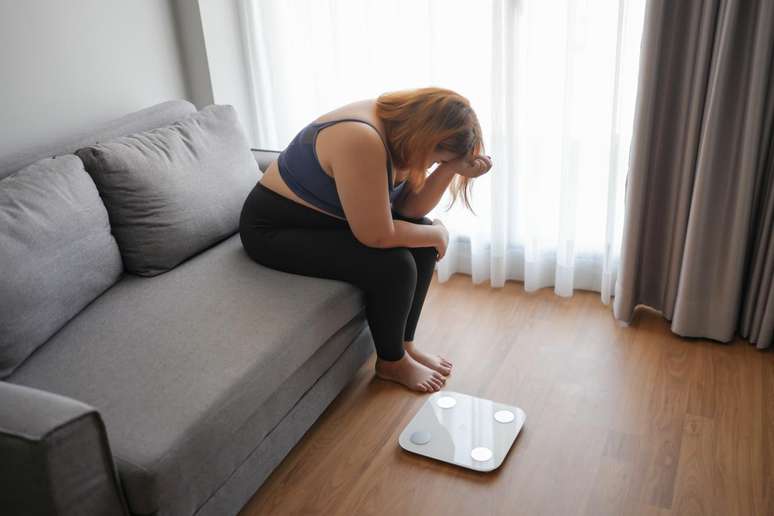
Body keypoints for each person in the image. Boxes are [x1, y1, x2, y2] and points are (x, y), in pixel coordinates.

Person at [239, 86, 492, 392]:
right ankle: (391, 362)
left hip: (327, 220)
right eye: (436, 158)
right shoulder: (362, 138)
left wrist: (449, 167)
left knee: (422, 243)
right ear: (426, 137)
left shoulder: (402, 129)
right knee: (395, 264)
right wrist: (439, 233)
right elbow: (377, 236)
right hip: (275, 229)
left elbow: (409, 209)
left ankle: (405, 345)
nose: (428, 166)